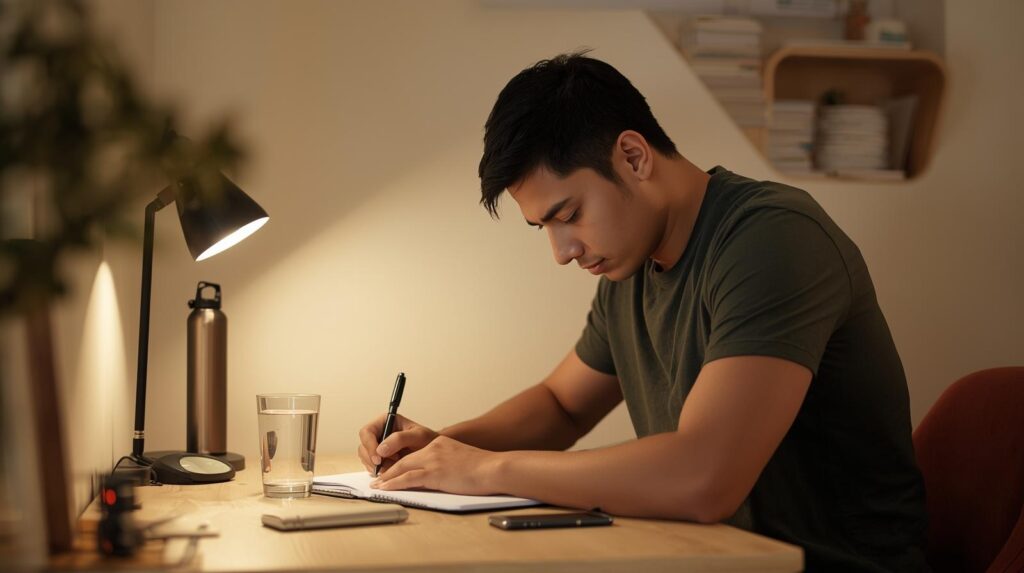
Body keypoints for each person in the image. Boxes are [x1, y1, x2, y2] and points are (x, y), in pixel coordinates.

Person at [357, 52, 928, 572]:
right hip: (708, 558)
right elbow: (560, 406)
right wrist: (441, 450)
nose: (562, 252)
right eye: (545, 228)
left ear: (633, 156)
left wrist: (485, 470)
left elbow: (705, 477)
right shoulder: (631, 262)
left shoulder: (772, 239)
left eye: (570, 214)